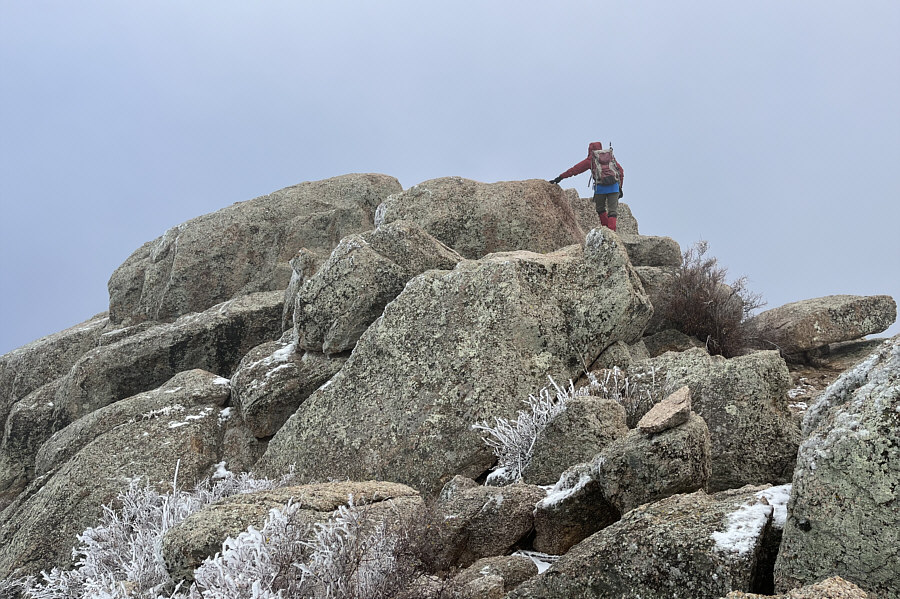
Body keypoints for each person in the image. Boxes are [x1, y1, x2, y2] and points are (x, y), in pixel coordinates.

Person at [550, 141, 624, 231]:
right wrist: (620, 186)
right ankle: (612, 232)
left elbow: (575, 170)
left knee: (600, 208)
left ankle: (606, 230)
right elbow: (621, 171)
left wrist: (560, 177)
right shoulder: (610, 157)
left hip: (600, 188)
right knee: (612, 211)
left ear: (590, 150)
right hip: (614, 187)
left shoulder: (591, 159)